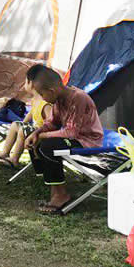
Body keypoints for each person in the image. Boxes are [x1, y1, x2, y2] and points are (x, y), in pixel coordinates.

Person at [25, 65, 103, 214]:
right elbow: (52, 123)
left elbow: (71, 132)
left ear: (51, 91)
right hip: (74, 138)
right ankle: (55, 189)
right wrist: (37, 133)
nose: (42, 98)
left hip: (87, 141)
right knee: (35, 138)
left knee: (48, 145)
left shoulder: (78, 98)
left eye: (42, 94)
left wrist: (42, 136)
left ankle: (61, 194)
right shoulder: (58, 100)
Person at [0, 74, 49, 168]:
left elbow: (51, 122)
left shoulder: (46, 103)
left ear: (32, 84)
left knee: (23, 130)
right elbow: (31, 113)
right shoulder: (35, 99)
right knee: (15, 124)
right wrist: (23, 123)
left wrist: (37, 129)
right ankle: (5, 153)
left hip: (41, 133)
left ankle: (14, 159)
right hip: (34, 129)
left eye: (26, 82)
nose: (24, 84)